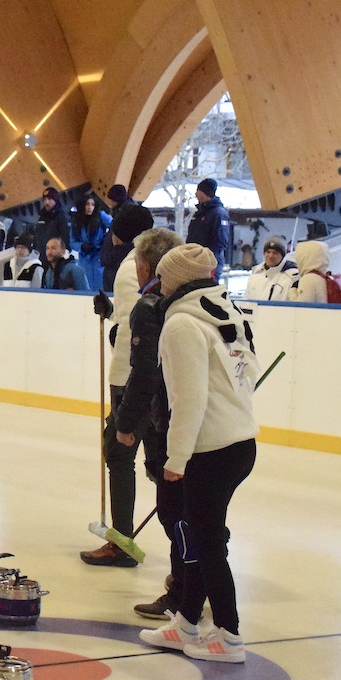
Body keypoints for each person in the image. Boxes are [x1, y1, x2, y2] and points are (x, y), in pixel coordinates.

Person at [139, 243, 258, 663]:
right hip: (240, 442)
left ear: (171, 280)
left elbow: (188, 400)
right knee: (194, 537)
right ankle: (186, 621)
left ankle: (229, 635)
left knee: (206, 544)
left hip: (209, 449)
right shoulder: (228, 312)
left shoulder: (182, 325)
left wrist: (175, 459)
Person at [100, 228, 187, 616]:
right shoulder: (187, 300)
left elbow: (145, 371)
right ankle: (184, 579)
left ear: (147, 266)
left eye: (137, 263)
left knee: (173, 501)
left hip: (158, 409)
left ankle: (184, 583)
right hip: (180, 413)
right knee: (175, 494)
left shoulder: (152, 304)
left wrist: (126, 420)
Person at [81, 203, 155, 567]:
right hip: (157, 378)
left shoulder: (131, 266)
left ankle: (121, 541)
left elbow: (135, 328)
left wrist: (114, 327)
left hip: (131, 377)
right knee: (157, 461)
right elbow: (136, 315)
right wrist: (112, 312)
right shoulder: (160, 260)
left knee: (120, 454)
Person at [186, 178, 231, 280]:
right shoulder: (199, 213)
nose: (196, 194)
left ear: (205, 193)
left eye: (198, 191)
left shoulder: (218, 213)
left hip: (209, 263)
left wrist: (209, 259)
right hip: (195, 260)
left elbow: (220, 241)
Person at [71, 193, 111, 291]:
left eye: (92, 204)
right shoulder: (76, 221)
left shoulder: (100, 215)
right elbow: (72, 241)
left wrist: (106, 241)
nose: (90, 207)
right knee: (85, 287)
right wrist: (81, 246)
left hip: (99, 256)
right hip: (84, 258)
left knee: (101, 288)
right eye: (87, 204)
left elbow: (114, 226)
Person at [101, 184, 136, 291]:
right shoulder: (120, 213)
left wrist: (112, 256)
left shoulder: (125, 215)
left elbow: (125, 241)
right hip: (113, 262)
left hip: (116, 264)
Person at [35, 187, 69, 263]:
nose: (46, 202)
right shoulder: (41, 217)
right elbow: (37, 236)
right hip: (42, 257)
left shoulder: (61, 217)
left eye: (49, 199)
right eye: (44, 200)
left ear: (55, 200)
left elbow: (65, 237)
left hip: (56, 259)